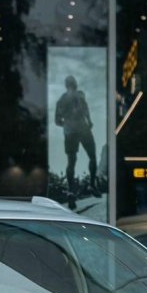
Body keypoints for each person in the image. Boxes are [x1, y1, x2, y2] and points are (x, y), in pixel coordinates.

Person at [55, 75, 97, 208]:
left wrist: (67, 124)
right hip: (83, 129)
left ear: (66, 85)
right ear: (75, 84)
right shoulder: (80, 96)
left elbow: (57, 121)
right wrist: (89, 122)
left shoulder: (60, 100)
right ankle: (92, 184)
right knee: (92, 156)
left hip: (69, 132)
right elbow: (86, 111)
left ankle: (71, 192)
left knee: (71, 162)